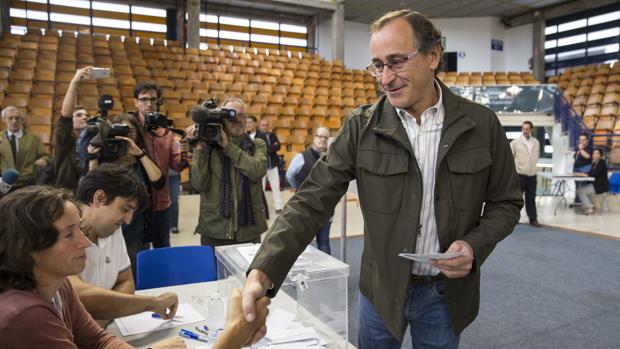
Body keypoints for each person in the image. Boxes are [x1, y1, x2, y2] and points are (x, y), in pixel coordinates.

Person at [241, 9, 522, 349]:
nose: (385, 78)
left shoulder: (482, 125)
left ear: (433, 56)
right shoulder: (361, 127)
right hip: (380, 290)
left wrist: (474, 246)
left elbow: (506, 203)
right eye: (378, 65)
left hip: (446, 297)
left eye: (397, 61)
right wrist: (263, 270)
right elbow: (311, 198)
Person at [0, 186, 270, 349]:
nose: (84, 242)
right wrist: (234, 337)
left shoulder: (61, 284)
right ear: (29, 249)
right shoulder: (25, 315)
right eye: (69, 234)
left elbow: (98, 341)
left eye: (80, 230)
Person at [68, 163, 177, 327]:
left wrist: (100, 324)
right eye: (125, 209)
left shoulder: (112, 230)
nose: (128, 220)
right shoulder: (63, 233)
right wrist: (153, 303)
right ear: (99, 198)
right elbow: (76, 292)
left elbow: (125, 281)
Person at [88, 113, 165, 273]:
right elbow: (90, 189)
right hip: (107, 231)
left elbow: (159, 182)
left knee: (135, 277)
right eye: (121, 131)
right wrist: (93, 158)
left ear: (137, 134)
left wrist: (139, 153)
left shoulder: (141, 157)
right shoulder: (105, 156)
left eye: (130, 131)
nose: (126, 135)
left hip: (135, 232)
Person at [189, 97, 268, 247]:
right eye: (231, 115)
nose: (238, 120)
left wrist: (227, 146)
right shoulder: (208, 146)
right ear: (221, 120)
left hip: (248, 231)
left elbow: (257, 170)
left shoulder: (257, 144)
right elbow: (199, 185)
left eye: (242, 116)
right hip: (214, 230)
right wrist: (199, 148)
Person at [133, 81, 189, 248]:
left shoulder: (167, 133)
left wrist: (184, 154)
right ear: (136, 102)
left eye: (153, 99)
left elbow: (176, 165)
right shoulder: (131, 130)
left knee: (163, 250)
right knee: (136, 252)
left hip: (161, 203)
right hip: (136, 205)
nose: (149, 103)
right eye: (143, 99)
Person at [286, 126, 333, 254]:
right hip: (305, 208)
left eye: (326, 137)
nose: (323, 140)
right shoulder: (301, 157)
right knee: (302, 244)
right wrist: (299, 189)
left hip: (326, 209)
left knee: (324, 243)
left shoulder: (333, 159)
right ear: (314, 138)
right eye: (320, 136)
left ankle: (327, 273)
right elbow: (289, 175)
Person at [54, 67, 90, 191]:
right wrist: (74, 82)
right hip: (68, 195)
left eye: (86, 115)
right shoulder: (65, 141)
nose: (84, 117)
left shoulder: (92, 142)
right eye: (79, 115)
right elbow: (65, 117)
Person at [0, 106, 50, 189]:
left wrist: (44, 160)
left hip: (27, 182)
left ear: (22, 120)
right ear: (3, 119)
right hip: (5, 182)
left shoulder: (34, 139)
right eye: (10, 118)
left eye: (17, 118)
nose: (14, 121)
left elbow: (46, 156)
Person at [247, 117, 283, 214]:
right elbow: (266, 148)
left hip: (272, 165)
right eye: (263, 125)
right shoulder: (253, 135)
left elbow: (278, 146)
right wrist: (271, 147)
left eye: (266, 125)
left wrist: (268, 148)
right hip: (261, 166)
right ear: (259, 125)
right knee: (260, 188)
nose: (265, 127)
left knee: (275, 186)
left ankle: (278, 206)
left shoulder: (272, 135)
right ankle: (261, 207)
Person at [510, 121, 541, 227]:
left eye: (527, 129)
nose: (525, 131)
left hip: (532, 175)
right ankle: (514, 219)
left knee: (531, 198)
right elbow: (510, 158)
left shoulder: (536, 142)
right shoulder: (515, 143)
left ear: (531, 130)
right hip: (519, 174)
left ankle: (533, 219)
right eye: (523, 129)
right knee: (517, 199)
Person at [576, 148, 609, 215]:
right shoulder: (595, 163)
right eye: (594, 153)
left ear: (601, 155)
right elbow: (591, 173)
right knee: (581, 190)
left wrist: (583, 174)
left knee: (580, 191)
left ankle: (589, 207)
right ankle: (589, 205)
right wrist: (583, 174)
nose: (595, 155)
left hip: (600, 185)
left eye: (597, 153)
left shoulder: (602, 163)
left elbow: (594, 174)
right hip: (595, 184)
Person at [572, 132, 592, 206]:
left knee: (582, 186)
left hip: (584, 169)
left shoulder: (590, 147)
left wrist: (581, 149)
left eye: (583, 140)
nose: (582, 141)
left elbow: (587, 156)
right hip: (576, 168)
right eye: (580, 140)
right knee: (577, 186)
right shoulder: (578, 147)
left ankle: (582, 202)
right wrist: (578, 151)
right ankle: (577, 201)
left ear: (587, 140)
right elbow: (575, 157)